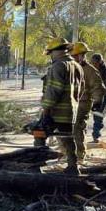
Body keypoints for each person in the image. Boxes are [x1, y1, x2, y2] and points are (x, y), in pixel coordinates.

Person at [40, 37, 84, 175]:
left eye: (51, 53)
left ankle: (37, 164)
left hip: (55, 112)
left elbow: (53, 91)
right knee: (68, 138)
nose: (51, 56)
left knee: (39, 133)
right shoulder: (77, 66)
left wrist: (46, 112)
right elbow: (81, 90)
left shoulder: (58, 66)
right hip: (71, 112)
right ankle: (73, 166)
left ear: (56, 52)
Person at [70, 42, 106, 162]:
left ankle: (79, 155)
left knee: (77, 128)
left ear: (82, 55)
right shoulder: (70, 67)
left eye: (77, 56)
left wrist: (97, 103)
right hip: (71, 104)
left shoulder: (89, 70)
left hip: (83, 103)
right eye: (73, 56)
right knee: (66, 129)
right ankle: (69, 154)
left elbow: (98, 88)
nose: (75, 58)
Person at [90, 53, 106, 142]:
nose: (94, 65)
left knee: (98, 117)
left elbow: (103, 88)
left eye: (96, 63)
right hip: (93, 96)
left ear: (100, 62)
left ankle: (96, 136)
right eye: (93, 63)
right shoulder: (93, 70)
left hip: (101, 97)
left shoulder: (105, 72)